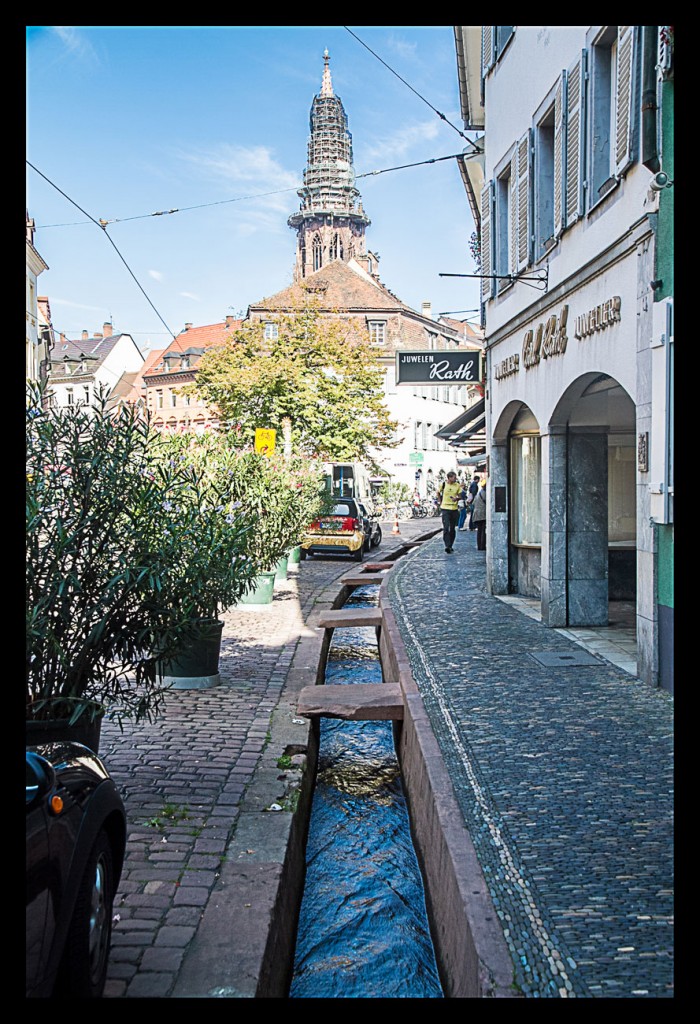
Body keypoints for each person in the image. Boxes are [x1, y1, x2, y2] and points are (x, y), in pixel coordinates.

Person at [437, 471, 461, 553]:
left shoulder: (457, 485)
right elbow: (438, 492)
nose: (455, 479)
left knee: (452, 528)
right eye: (454, 477)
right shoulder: (443, 485)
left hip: (454, 509)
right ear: (449, 478)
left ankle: (451, 545)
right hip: (445, 509)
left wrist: (456, 499)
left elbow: (461, 495)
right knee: (446, 527)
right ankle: (447, 545)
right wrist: (440, 502)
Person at [471, 477, 487, 551]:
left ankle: (479, 546)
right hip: (482, 514)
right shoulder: (485, 493)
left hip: (476, 514)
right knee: (483, 530)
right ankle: (482, 546)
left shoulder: (479, 493)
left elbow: (473, 503)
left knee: (479, 530)